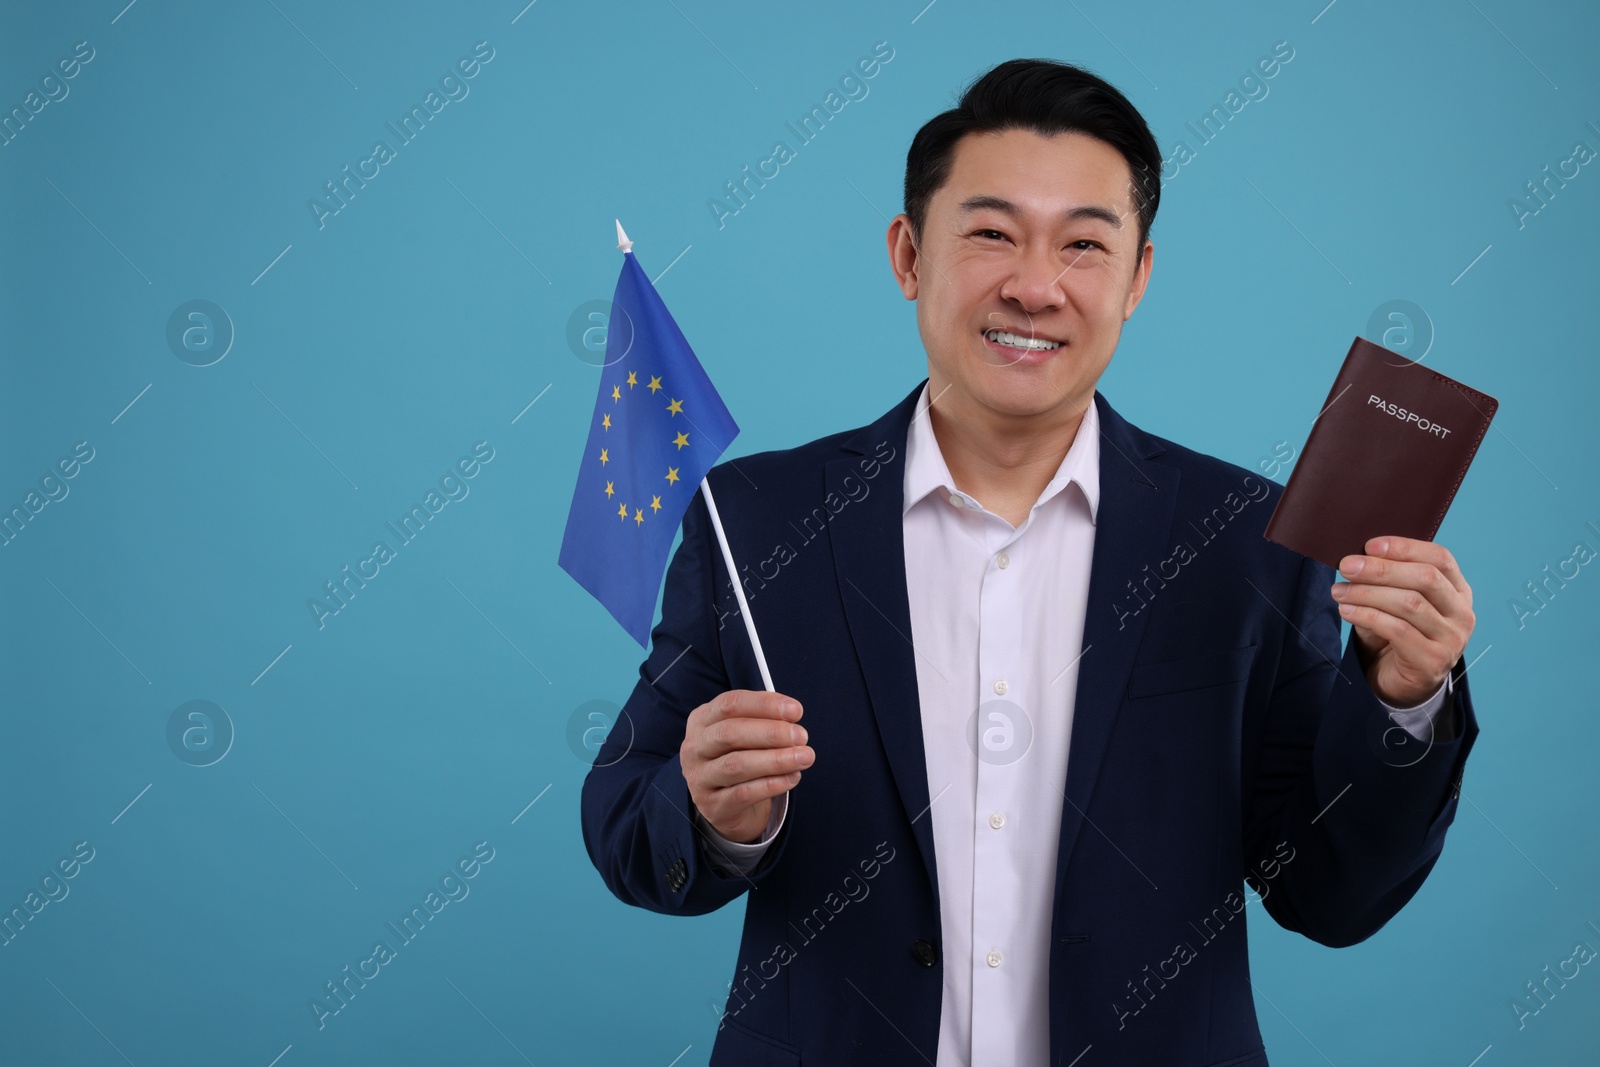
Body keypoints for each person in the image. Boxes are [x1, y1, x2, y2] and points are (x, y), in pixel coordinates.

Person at [580, 57, 1479, 1067]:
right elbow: (624, 824)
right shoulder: (753, 520)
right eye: (991, 233)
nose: (1034, 285)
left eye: (1084, 244)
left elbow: (1331, 893)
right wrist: (709, 814)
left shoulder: (1248, 540)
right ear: (908, 254)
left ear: (1137, 277)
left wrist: (1401, 695)